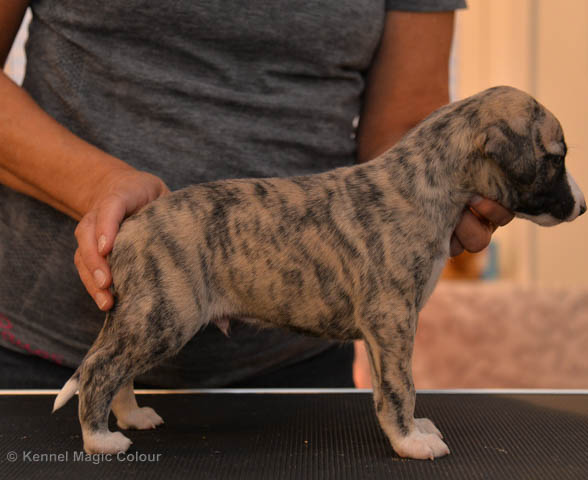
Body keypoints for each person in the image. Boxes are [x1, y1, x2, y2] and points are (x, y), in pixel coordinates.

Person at [0, 0, 513, 388]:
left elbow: (405, 121)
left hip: (295, 365)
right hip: (46, 352)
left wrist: (439, 196)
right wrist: (99, 185)